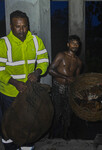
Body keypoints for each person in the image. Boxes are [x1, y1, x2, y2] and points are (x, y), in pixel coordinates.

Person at [0, 10, 49, 150]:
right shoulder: (3, 44)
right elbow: (0, 69)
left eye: (25, 26)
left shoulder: (35, 40)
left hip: (29, 92)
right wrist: (15, 83)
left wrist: (37, 72)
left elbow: (44, 60)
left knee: (28, 124)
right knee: (8, 125)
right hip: (9, 93)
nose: (22, 30)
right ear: (11, 26)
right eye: (18, 26)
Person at [48, 35, 82, 139]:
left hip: (69, 89)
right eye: (73, 43)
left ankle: (65, 134)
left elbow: (76, 78)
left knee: (68, 112)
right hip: (58, 87)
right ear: (68, 44)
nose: (75, 45)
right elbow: (50, 70)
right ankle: (52, 134)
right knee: (57, 112)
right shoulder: (61, 55)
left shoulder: (79, 62)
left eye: (77, 44)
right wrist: (65, 77)